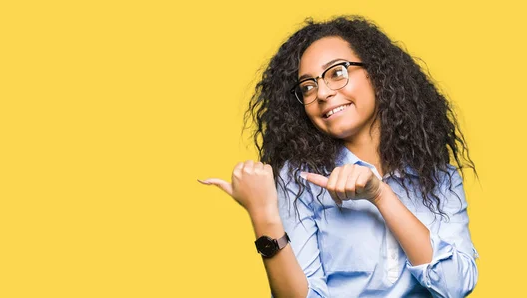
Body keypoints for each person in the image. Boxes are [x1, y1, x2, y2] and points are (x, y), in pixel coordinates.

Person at [198, 15, 478, 298]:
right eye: (308, 86)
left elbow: (455, 287)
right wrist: (263, 215)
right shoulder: (301, 181)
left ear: (378, 74)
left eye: (337, 72)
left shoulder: (439, 177)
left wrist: (380, 195)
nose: (321, 92)